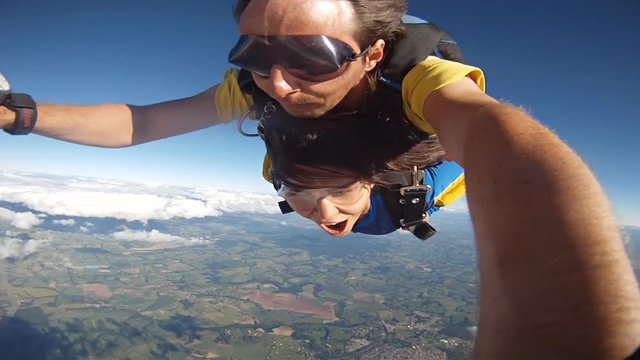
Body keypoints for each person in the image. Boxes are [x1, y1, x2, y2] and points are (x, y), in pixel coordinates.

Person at [1, 0, 638, 358]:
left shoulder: (421, 84)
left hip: (394, 181)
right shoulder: (256, 94)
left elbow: (507, 145)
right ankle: (317, 188)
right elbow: (142, 122)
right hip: (321, 172)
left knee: (350, 195)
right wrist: (22, 114)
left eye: (312, 56)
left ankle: (347, 191)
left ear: (371, 54)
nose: (278, 81)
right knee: (304, 184)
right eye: (254, 56)